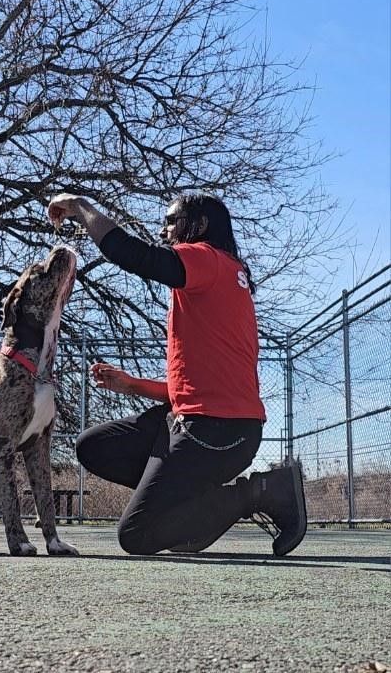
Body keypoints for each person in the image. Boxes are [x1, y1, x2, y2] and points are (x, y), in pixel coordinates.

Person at [47, 192, 307, 556]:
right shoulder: (223, 277)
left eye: (171, 221)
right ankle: (191, 511)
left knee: (136, 534)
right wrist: (132, 385)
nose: (163, 230)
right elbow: (197, 387)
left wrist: (80, 207)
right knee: (94, 446)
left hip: (218, 433)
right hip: (195, 420)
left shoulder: (206, 259)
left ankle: (260, 491)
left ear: (198, 227)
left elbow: (133, 255)